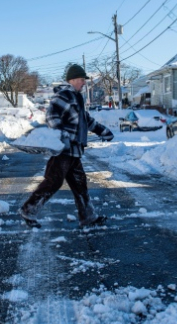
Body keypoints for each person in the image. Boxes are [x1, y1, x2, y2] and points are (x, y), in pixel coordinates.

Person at [19, 64, 114, 229]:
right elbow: (51, 117)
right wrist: (63, 137)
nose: (84, 83)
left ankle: (88, 217)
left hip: (74, 151)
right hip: (63, 150)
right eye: (82, 80)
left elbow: (86, 120)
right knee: (53, 181)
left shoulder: (76, 97)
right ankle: (28, 210)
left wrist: (103, 131)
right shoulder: (63, 96)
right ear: (73, 79)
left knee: (80, 185)